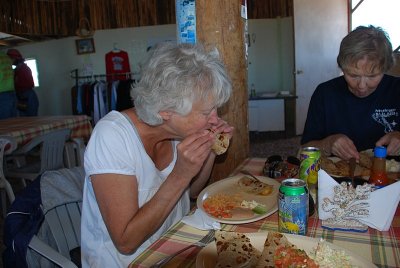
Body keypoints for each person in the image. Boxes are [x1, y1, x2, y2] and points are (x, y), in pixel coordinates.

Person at [81, 42, 233, 267]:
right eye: (205, 112)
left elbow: (192, 192)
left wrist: (210, 151)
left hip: (173, 253)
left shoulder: (177, 131)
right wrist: (180, 174)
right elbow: (125, 241)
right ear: (166, 112)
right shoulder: (112, 136)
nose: (215, 118)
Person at [301, 25, 400, 161]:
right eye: (353, 75)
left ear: (386, 68)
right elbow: (304, 151)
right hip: (336, 180)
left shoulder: (397, 90)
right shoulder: (325, 93)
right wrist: (328, 144)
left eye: (372, 76)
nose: (361, 86)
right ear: (342, 67)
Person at [7, 49, 39, 116]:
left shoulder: (22, 69)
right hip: (24, 95)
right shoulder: (19, 69)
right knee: (26, 118)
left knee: (29, 118)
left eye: (11, 59)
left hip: (26, 95)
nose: (10, 61)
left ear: (15, 58)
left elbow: (26, 84)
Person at [0, 52, 18, 119]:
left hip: (1, 94)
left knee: (3, 124)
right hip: (11, 92)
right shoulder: (5, 57)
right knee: (12, 122)